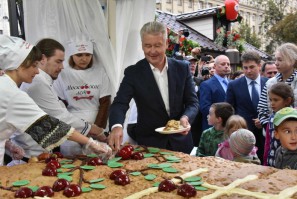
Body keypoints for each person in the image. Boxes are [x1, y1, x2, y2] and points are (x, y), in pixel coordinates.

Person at [0, 35, 111, 166]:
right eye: (34, 66)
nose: (37, 72)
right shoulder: (14, 93)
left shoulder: (5, 86)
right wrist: (91, 142)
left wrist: (8, 145)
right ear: (18, 65)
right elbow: (51, 126)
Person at [108, 21, 199, 153]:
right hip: (149, 143)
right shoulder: (133, 72)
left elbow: (193, 102)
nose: (152, 51)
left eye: (157, 45)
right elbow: (119, 103)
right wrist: (116, 126)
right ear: (142, 46)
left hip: (181, 143)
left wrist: (185, 118)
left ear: (167, 44)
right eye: (148, 46)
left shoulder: (182, 68)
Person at [53, 38, 111, 156]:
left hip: (97, 125)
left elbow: (105, 103)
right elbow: (60, 104)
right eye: (79, 55)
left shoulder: (100, 72)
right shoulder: (63, 74)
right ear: (72, 55)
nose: (84, 59)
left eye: (87, 55)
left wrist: (97, 130)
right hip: (72, 128)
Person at [226, 50, 268, 163]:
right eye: (245, 68)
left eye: (252, 67)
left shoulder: (269, 83)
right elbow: (230, 109)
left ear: (259, 65)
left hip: (265, 133)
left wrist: (265, 119)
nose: (248, 71)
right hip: (243, 134)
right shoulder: (234, 85)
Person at [258, 43, 297, 134]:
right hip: (273, 134)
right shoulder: (270, 83)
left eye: (280, 60)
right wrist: (271, 127)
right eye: (276, 59)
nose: (276, 63)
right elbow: (262, 108)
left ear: (292, 61)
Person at [264, 83, 294, 166]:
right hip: (272, 160)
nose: (272, 103)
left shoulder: (293, 118)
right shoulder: (272, 117)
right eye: (270, 100)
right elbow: (268, 141)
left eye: (276, 100)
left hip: (288, 163)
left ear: (287, 100)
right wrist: (265, 161)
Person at [199, 55, 231, 131]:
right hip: (215, 128)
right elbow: (205, 108)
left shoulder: (233, 84)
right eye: (223, 64)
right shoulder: (206, 85)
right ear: (215, 66)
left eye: (228, 64)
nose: (226, 66)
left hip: (231, 127)